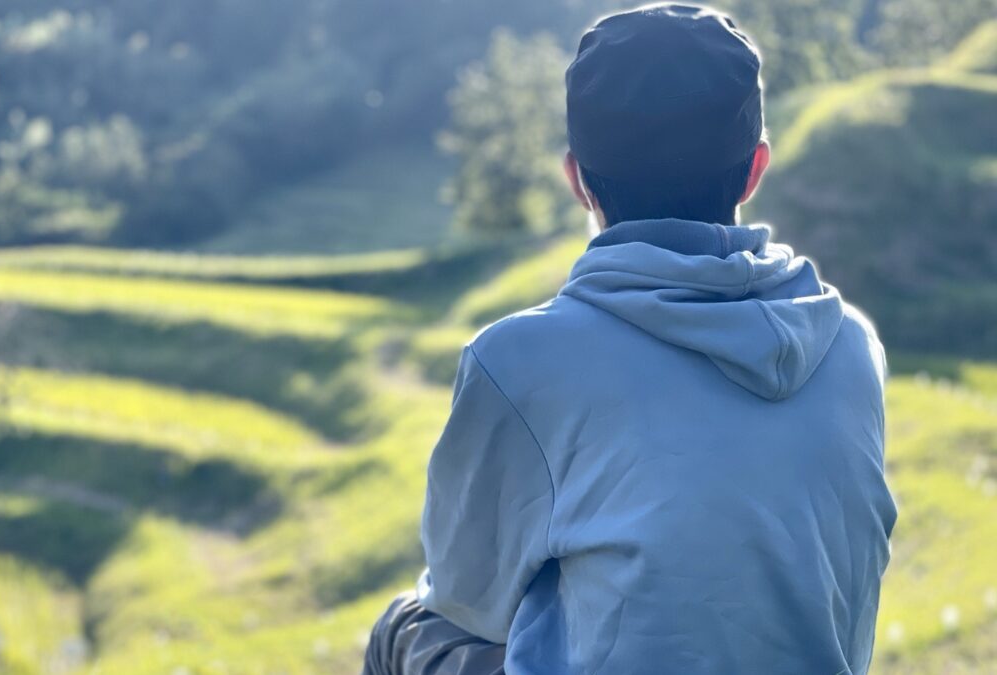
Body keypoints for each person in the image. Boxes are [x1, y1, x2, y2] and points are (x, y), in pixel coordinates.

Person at [361, 3, 897, 674]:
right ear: (755, 167)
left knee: (404, 628)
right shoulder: (851, 347)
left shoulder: (520, 362)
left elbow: (466, 600)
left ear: (577, 179)